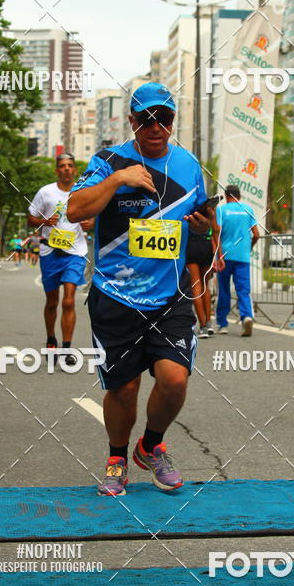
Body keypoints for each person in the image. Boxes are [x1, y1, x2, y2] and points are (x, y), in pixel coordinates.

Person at [67, 82, 209, 497]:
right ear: (132, 121)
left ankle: (150, 446)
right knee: (123, 388)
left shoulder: (188, 165)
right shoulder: (108, 160)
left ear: (171, 122)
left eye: (162, 118)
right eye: (145, 118)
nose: (154, 126)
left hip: (169, 297)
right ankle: (116, 458)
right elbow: (75, 209)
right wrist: (118, 180)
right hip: (116, 296)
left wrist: (204, 225)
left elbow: (199, 218)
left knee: (175, 381)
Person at [28, 153, 93, 354]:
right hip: (50, 251)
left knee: (69, 299)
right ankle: (51, 337)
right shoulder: (45, 192)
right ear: (57, 170)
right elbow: (30, 218)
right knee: (52, 301)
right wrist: (42, 222)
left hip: (75, 251)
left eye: (70, 165)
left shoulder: (83, 192)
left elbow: (95, 216)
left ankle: (66, 347)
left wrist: (92, 223)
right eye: (62, 166)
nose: (66, 168)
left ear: (74, 170)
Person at [215, 184, 260, 337]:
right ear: (239, 196)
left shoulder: (221, 210)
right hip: (243, 256)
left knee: (224, 290)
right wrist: (249, 248)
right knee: (243, 290)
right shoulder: (248, 209)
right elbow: (257, 234)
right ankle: (246, 316)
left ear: (227, 196)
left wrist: (219, 255)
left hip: (225, 256)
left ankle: (222, 324)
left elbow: (217, 233)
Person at [186, 204, 224, 339]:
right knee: (205, 286)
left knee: (196, 286)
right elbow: (215, 230)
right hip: (206, 246)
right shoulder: (209, 209)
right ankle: (208, 324)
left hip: (191, 245)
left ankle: (202, 327)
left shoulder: (188, 206)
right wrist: (220, 255)